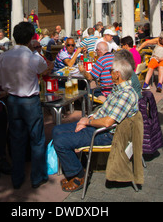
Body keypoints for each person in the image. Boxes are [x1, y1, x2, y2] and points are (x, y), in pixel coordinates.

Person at [52, 50, 139, 193]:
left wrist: (87, 123)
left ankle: (78, 175)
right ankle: (79, 165)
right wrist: (88, 118)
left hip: (107, 134)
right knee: (56, 130)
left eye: (111, 71)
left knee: (61, 141)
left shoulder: (126, 94)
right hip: (97, 125)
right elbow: (103, 110)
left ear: (117, 74)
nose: (109, 73)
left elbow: (108, 122)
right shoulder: (117, 89)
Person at [0, 21, 53, 190]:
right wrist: (37, 51)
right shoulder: (32, 56)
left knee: (16, 139)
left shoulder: (4, 56)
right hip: (29, 101)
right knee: (37, 139)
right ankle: (38, 177)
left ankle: (17, 177)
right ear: (30, 38)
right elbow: (46, 68)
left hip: (12, 100)